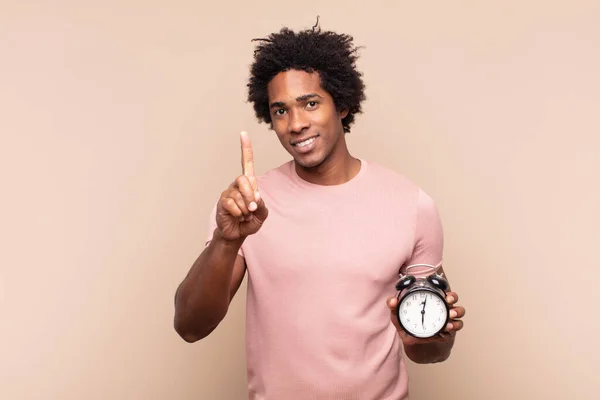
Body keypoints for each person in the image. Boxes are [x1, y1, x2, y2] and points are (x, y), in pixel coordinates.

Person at [174, 19, 466, 400]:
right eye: (280, 111)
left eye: (310, 103)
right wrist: (226, 240)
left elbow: (429, 351)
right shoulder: (248, 206)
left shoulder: (412, 206)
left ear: (341, 105)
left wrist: (434, 336)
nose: (296, 124)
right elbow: (190, 326)